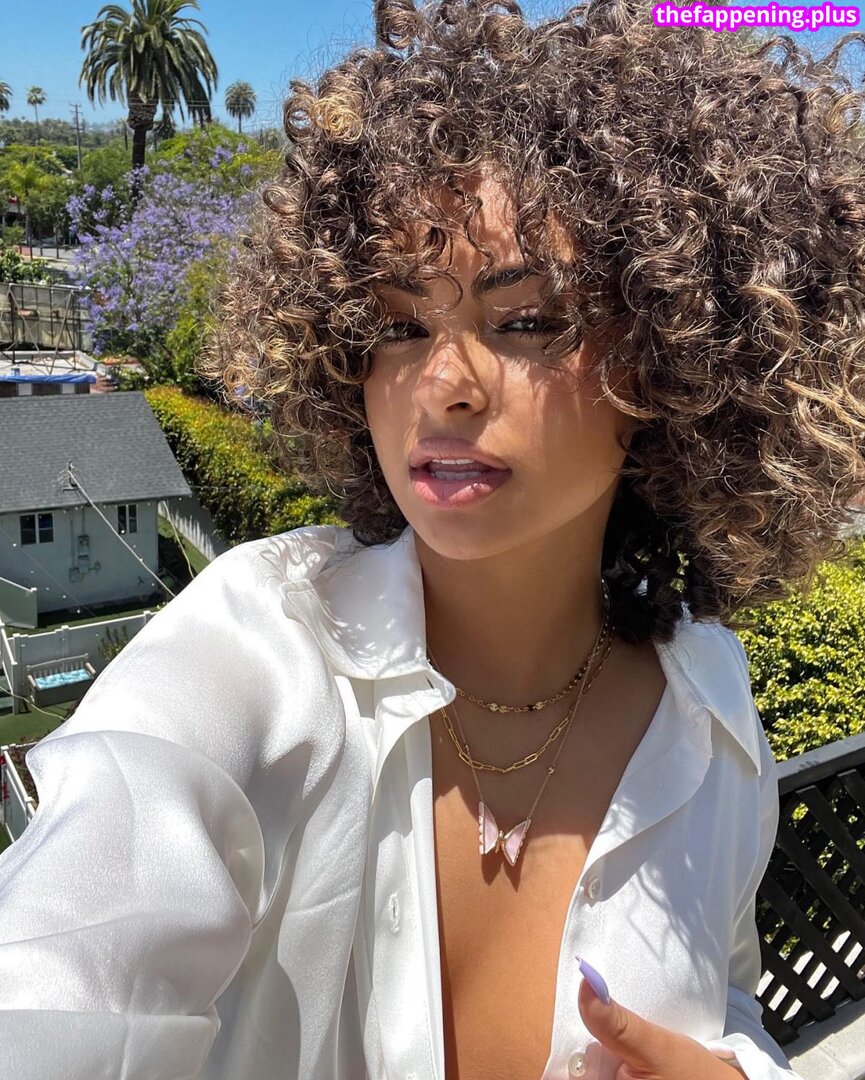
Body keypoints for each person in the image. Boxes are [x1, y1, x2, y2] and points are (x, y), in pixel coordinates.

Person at [1, 0, 864, 1077]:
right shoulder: (252, 654)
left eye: (527, 320)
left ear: (675, 353)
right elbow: (60, 981)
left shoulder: (711, 709)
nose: (442, 385)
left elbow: (725, 995)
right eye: (398, 327)